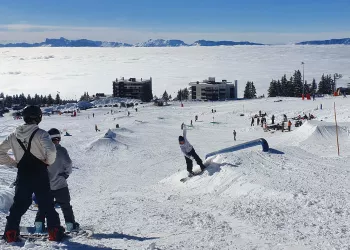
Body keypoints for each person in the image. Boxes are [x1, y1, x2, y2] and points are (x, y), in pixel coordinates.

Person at [0, 105, 64, 242]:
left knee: (19, 204)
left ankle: (10, 232)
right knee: (46, 203)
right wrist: (48, 161)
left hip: (23, 174)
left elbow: (0, 152)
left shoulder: (13, 135)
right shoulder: (42, 134)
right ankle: (54, 231)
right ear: (39, 117)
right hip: (40, 173)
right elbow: (52, 152)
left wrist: (14, 163)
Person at [34, 128, 79, 233]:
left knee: (43, 206)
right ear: (59, 138)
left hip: (45, 186)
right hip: (60, 185)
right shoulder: (62, 150)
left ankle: (39, 226)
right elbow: (68, 164)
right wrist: (66, 174)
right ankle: (70, 225)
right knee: (65, 206)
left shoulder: (43, 151)